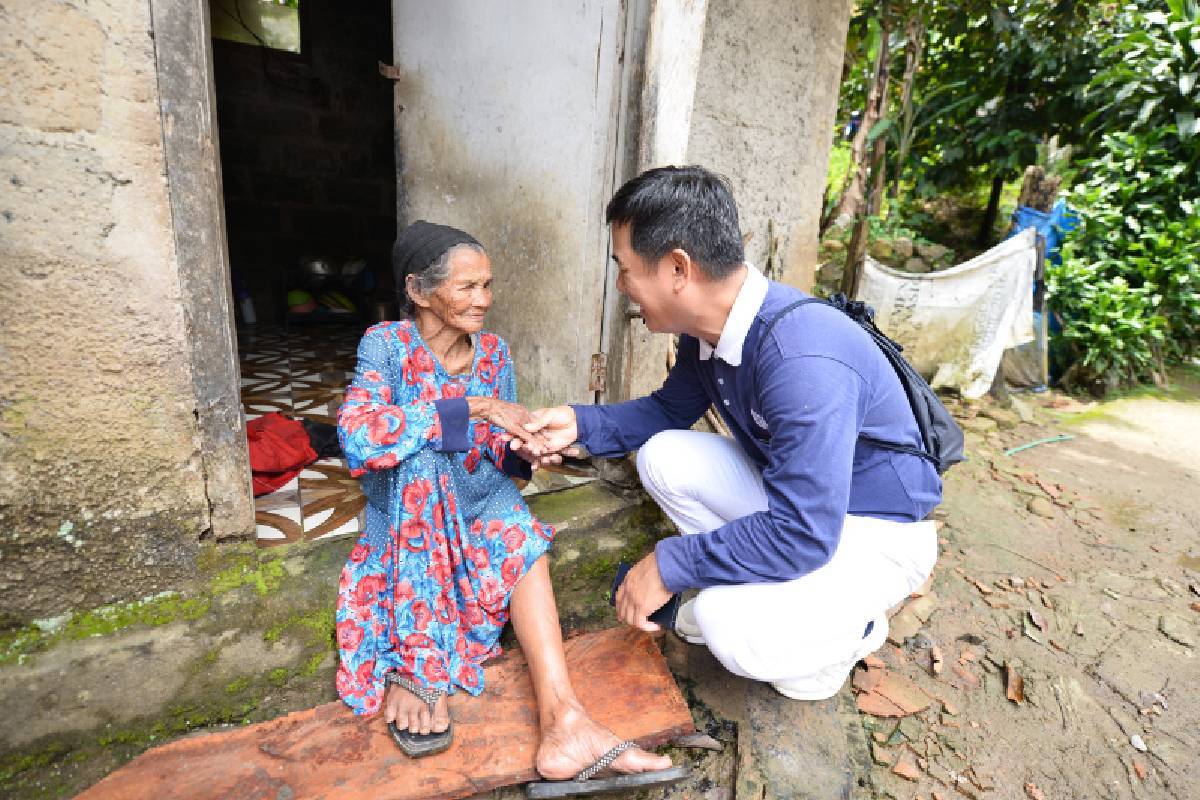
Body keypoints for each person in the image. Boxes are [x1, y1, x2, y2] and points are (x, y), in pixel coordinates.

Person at [520, 166, 942, 700]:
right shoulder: (710, 333)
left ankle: (854, 631)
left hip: (874, 531)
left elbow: (803, 532)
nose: (623, 286)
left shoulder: (800, 358)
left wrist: (669, 564)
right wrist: (577, 423)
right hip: (806, 506)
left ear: (677, 267)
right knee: (664, 456)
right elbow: (666, 410)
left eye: (625, 269)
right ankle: (771, 591)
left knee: (734, 631)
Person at [333, 221, 682, 793]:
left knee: (521, 534)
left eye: (488, 285)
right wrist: (477, 407)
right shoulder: (387, 345)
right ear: (419, 291)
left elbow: (499, 454)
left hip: (477, 493)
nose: (484, 300)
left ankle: (564, 721)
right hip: (411, 504)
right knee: (419, 464)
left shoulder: (494, 352)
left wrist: (529, 450)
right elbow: (360, 438)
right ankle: (419, 664)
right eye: (467, 287)